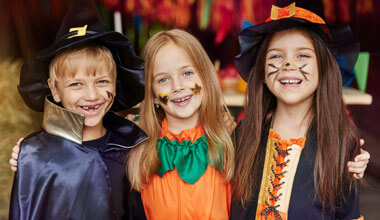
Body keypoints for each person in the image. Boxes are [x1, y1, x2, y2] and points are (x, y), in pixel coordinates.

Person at [9, 0, 147, 219]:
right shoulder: (35, 156)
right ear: (55, 89)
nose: (92, 95)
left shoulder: (131, 146)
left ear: (115, 83)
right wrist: (29, 154)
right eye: (76, 84)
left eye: (102, 82)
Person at [231, 1, 366, 219]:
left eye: (302, 55)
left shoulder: (341, 141)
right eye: (276, 56)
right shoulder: (245, 132)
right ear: (263, 73)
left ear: (323, 67)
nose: (288, 65)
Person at [126, 29, 235, 219]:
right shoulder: (140, 149)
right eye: (163, 79)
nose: (177, 86)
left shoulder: (229, 142)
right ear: (151, 94)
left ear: (205, 77)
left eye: (186, 73)